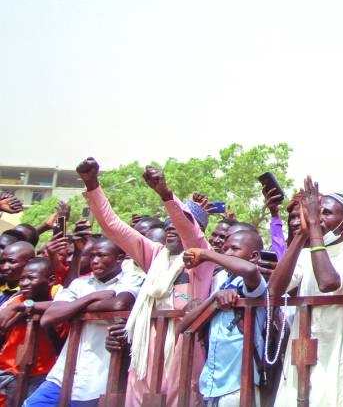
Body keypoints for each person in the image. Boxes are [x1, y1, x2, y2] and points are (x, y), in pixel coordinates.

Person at [78, 158, 215, 406]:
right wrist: (92, 185)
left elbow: (190, 233)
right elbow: (114, 228)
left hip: (183, 351)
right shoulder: (155, 255)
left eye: (178, 223)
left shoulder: (202, 258)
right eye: (167, 223)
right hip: (145, 350)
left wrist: (166, 195)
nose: (171, 227)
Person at [268, 178, 343, 407]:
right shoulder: (304, 255)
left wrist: (313, 227)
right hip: (301, 354)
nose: (319, 218)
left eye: (326, 213)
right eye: (316, 212)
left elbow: (328, 282)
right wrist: (301, 235)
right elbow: (274, 291)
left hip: (336, 356)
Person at [25, 237, 141, 407]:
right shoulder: (80, 283)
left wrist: (73, 307)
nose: (95, 261)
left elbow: (119, 303)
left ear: (120, 258)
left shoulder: (132, 279)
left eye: (101, 256)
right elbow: (50, 317)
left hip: (99, 377)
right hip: (63, 373)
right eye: (92, 256)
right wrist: (91, 297)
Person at [181, 227, 268, 406]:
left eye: (234, 249)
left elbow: (250, 271)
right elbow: (183, 326)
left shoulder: (252, 282)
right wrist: (213, 300)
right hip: (212, 384)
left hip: (240, 386)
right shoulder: (221, 283)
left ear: (253, 256)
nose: (227, 253)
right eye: (225, 249)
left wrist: (206, 254)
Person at [0, 257, 62, 405]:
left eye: (31, 278)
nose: (24, 283)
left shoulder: (59, 299)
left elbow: (62, 307)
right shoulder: (15, 301)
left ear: (51, 280)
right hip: (9, 371)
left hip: (43, 373)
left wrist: (27, 308)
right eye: (22, 279)